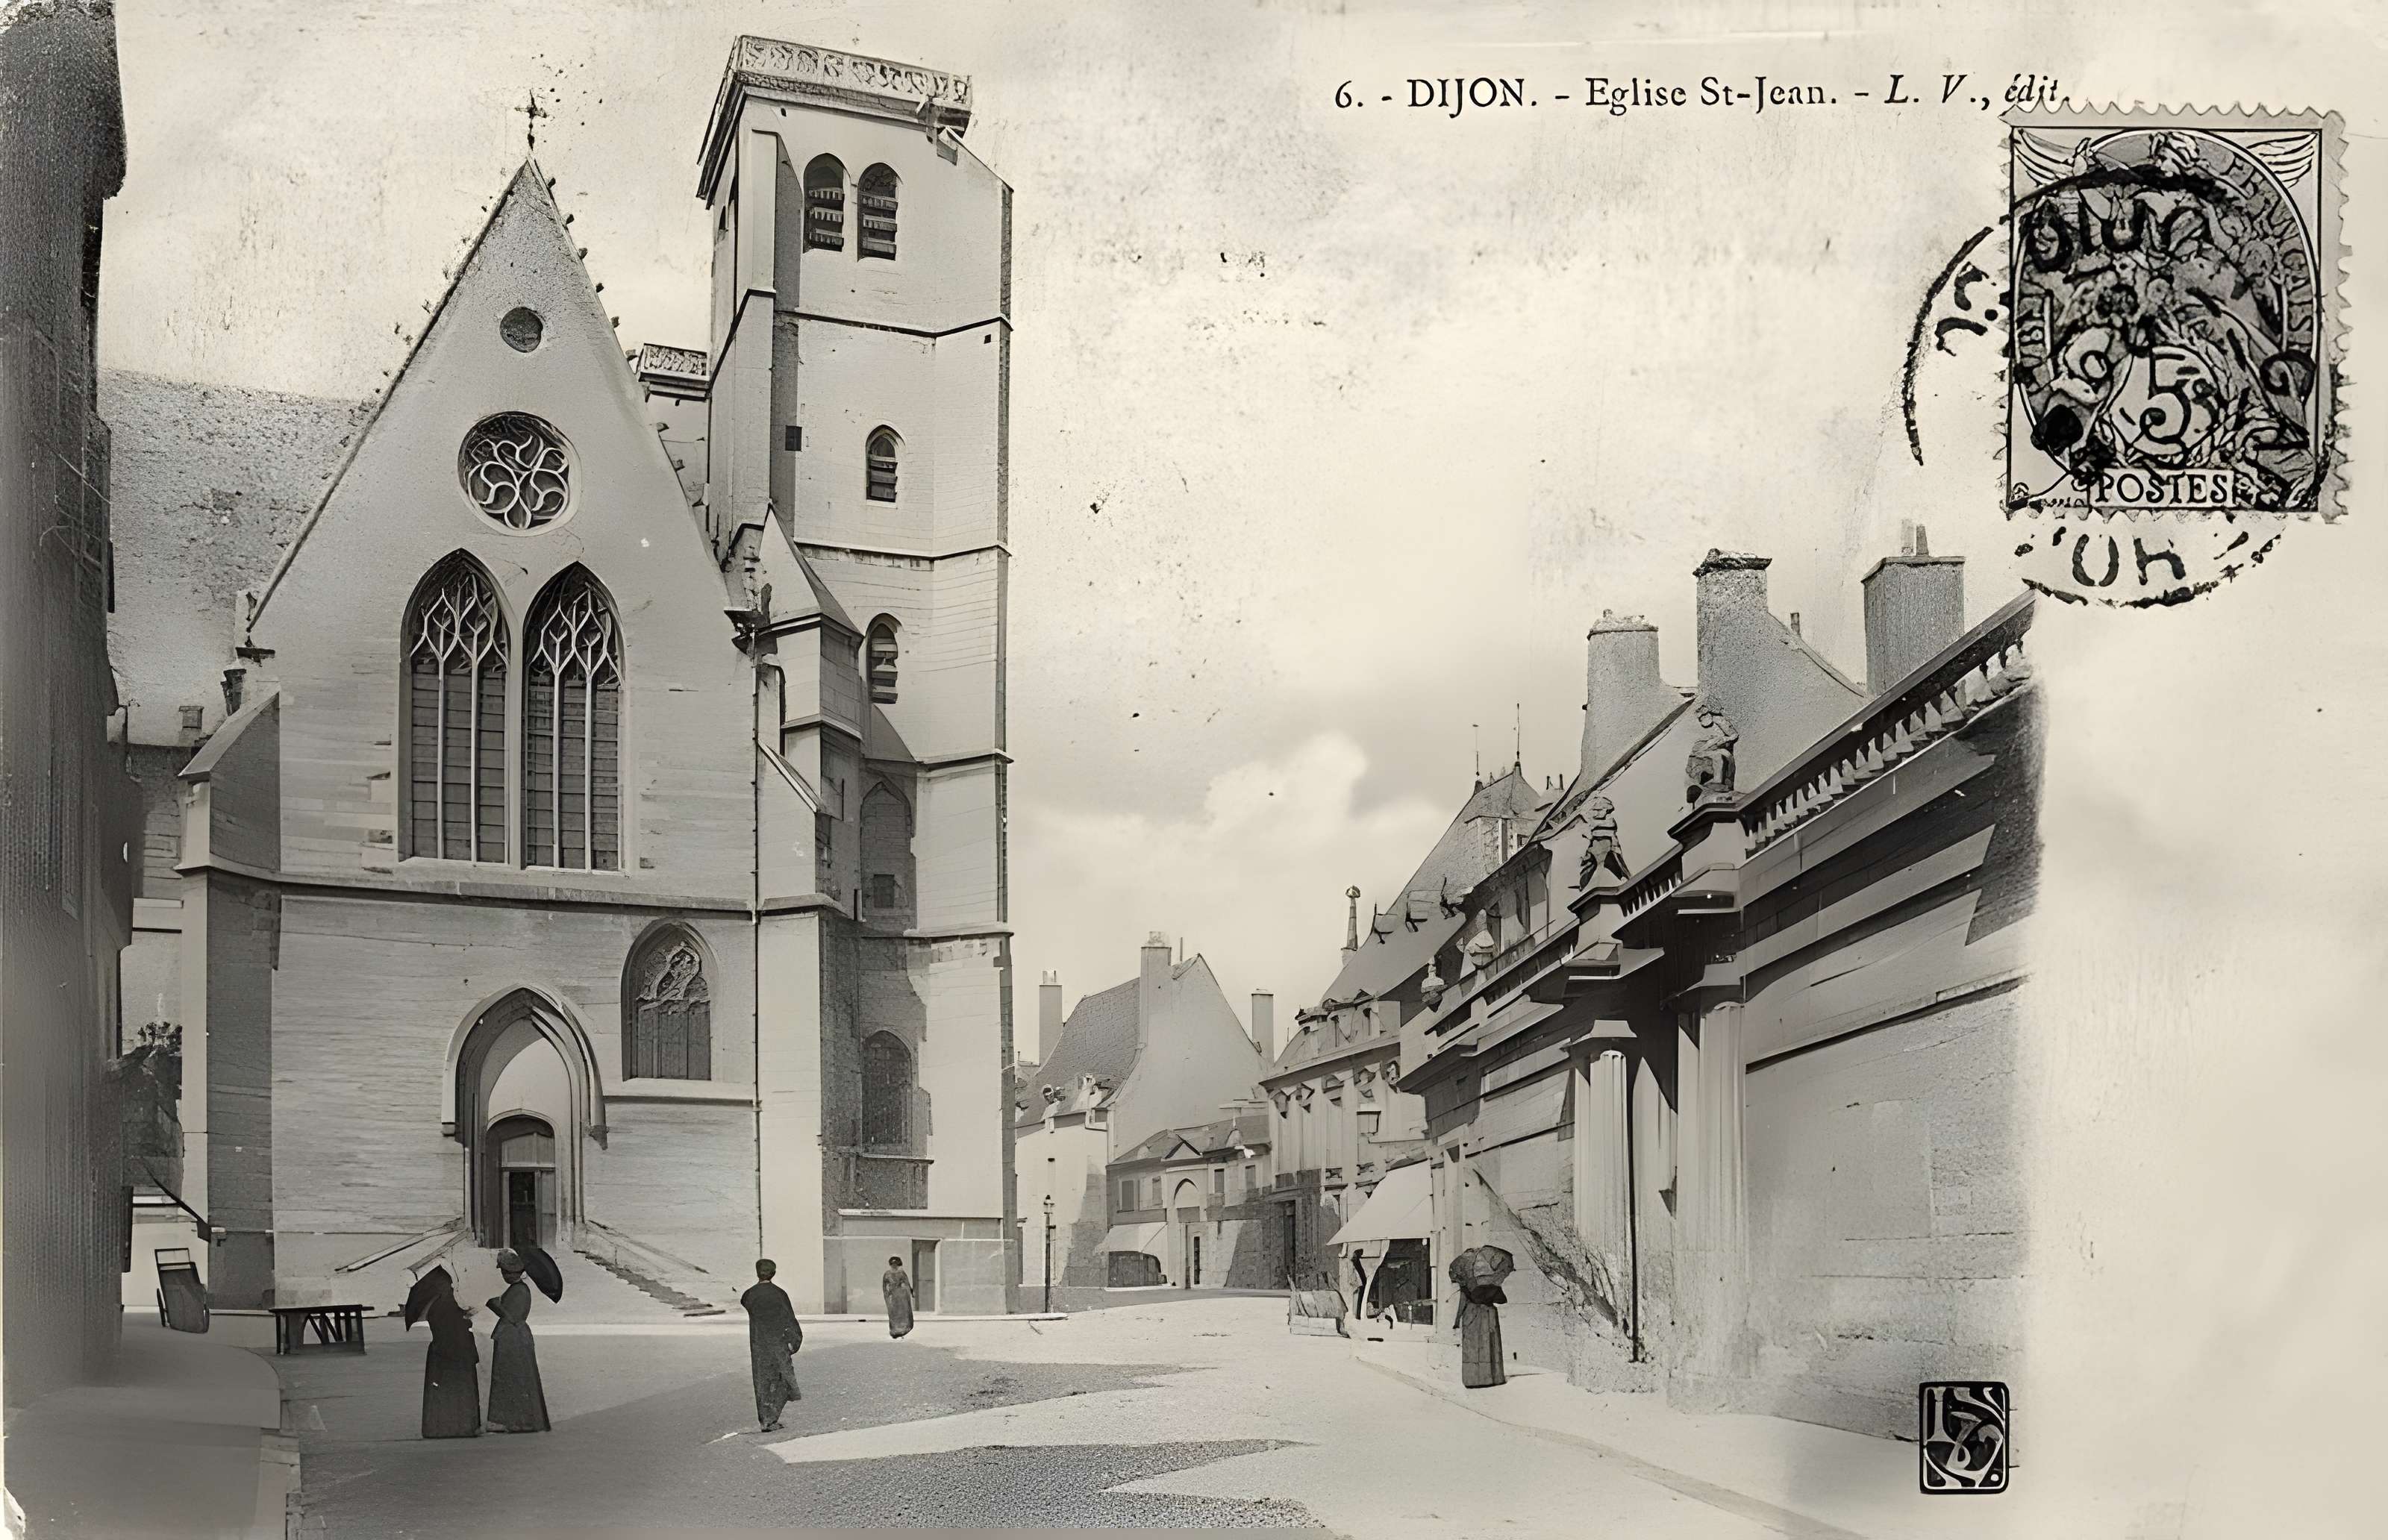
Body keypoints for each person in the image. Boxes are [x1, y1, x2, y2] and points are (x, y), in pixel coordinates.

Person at [484, 1250, 551, 1433]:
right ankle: (515, 1420)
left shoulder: (520, 1290)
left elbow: (512, 1316)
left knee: (513, 1377)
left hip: (513, 1337)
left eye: (506, 1272)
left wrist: (495, 1305)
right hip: (515, 1336)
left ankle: (518, 1421)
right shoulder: (519, 1289)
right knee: (515, 1377)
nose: (505, 1276)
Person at [416, 1267, 481, 1439]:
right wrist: (467, 1318)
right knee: (459, 1390)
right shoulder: (450, 1305)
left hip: (441, 1352)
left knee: (443, 1393)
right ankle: (460, 1427)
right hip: (455, 1351)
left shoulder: (436, 1306)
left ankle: (442, 1427)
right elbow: (457, 1328)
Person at [740, 1259, 804, 1432]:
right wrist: (795, 1341)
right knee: (781, 1378)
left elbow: (746, 1305)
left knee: (761, 1380)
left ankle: (765, 1419)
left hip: (759, 1344)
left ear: (757, 1273)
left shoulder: (749, 1295)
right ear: (774, 1273)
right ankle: (771, 1418)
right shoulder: (779, 1294)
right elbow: (789, 1319)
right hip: (778, 1343)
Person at [1457, 1278, 1508, 1389]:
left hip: (1472, 1314)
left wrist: (1457, 1321)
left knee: (1473, 1348)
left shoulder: (1467, 1281)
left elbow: (1463, 1302)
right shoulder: (1493, 1281)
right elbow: (1502, 1299)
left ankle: (1473, 1380)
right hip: (1489, 1313)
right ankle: (1493, 1378)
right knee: (1489, 1346)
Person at [882, 1255, 915, 1339]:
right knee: (893, 1313)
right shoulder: (887, 1274)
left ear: (898, 1264)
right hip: (892, 1296)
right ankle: (894, 1331)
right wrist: (886, 1294)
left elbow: (907, 1283)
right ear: (890, 1264)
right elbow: (884, 1285)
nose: (894, 1265)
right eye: (892, 1264)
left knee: (902, 1312)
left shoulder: (901, 1273)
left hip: (901, 1295)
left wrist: (911, 1292)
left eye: (896, 1263)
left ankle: (902, 1330)